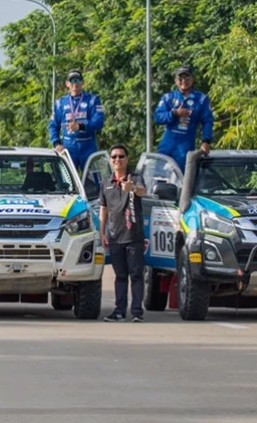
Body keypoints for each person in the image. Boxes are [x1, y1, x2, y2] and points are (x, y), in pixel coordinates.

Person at [98, 144, 147, 323]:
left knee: (136, 275)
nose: (117, 159)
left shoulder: (135, 178)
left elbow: (143, 192)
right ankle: (119, 311)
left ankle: (137, 312)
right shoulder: (106, 182)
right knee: (120, 276)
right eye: (114, 157)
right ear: (110, 161)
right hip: (115, 237)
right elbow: (103, 209)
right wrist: (102, 232)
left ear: (127, 159)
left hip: (134, 236)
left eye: (121, 156)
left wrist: (132, 188)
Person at [154, 65, 214, 167]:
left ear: (192, 79)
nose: (183, 81)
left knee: (183, 174)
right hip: (167, 144)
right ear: (175, 81)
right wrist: (174, 113)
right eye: (180, 78)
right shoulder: (168, 97)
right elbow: (157, 117)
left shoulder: (201, 99)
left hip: (185, 146)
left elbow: (207, 121)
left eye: (187, 78)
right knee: (159, 172)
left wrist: (206, 141)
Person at [48, 69, 106, 172]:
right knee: (66, 178)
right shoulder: (60, 103)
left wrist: (80, 126)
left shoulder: (92, 100)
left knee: (92, 178)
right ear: (67, 84)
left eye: (78, 80)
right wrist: (57, 143)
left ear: (83, 82)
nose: (75, 83)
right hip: (68, 146)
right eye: (72, 81)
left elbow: (99, 121)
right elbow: (53, 125)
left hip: (88, 145)